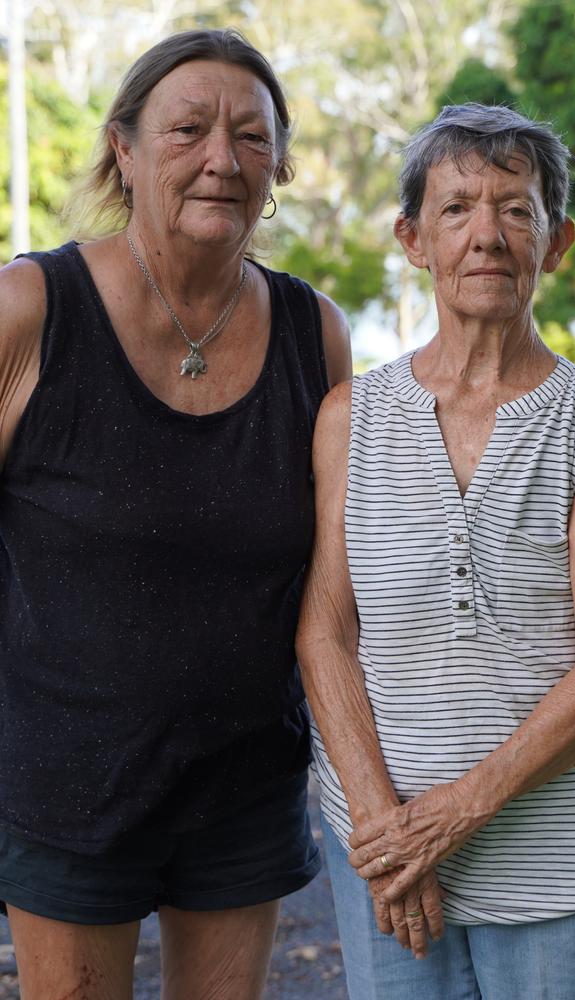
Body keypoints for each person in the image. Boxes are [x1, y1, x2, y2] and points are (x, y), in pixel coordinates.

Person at [0, 27, 351, 1000]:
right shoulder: (31, 309)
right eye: (188, 128)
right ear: (123, 146)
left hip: (243, 784)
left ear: (277, 160)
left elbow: (335, 574)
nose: (220, 159)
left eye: (249, 135)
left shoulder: (310, 332)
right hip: (66, 789)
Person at [297, 103, 575, 1000]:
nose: (486, 235)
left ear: (556, 242)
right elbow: (325, 634)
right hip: (384, 848)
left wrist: (448, 817)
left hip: (554, 852)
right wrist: (384, 828)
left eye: (516, 209)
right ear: (413, 239)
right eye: (457, 209)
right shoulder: (352, 418)